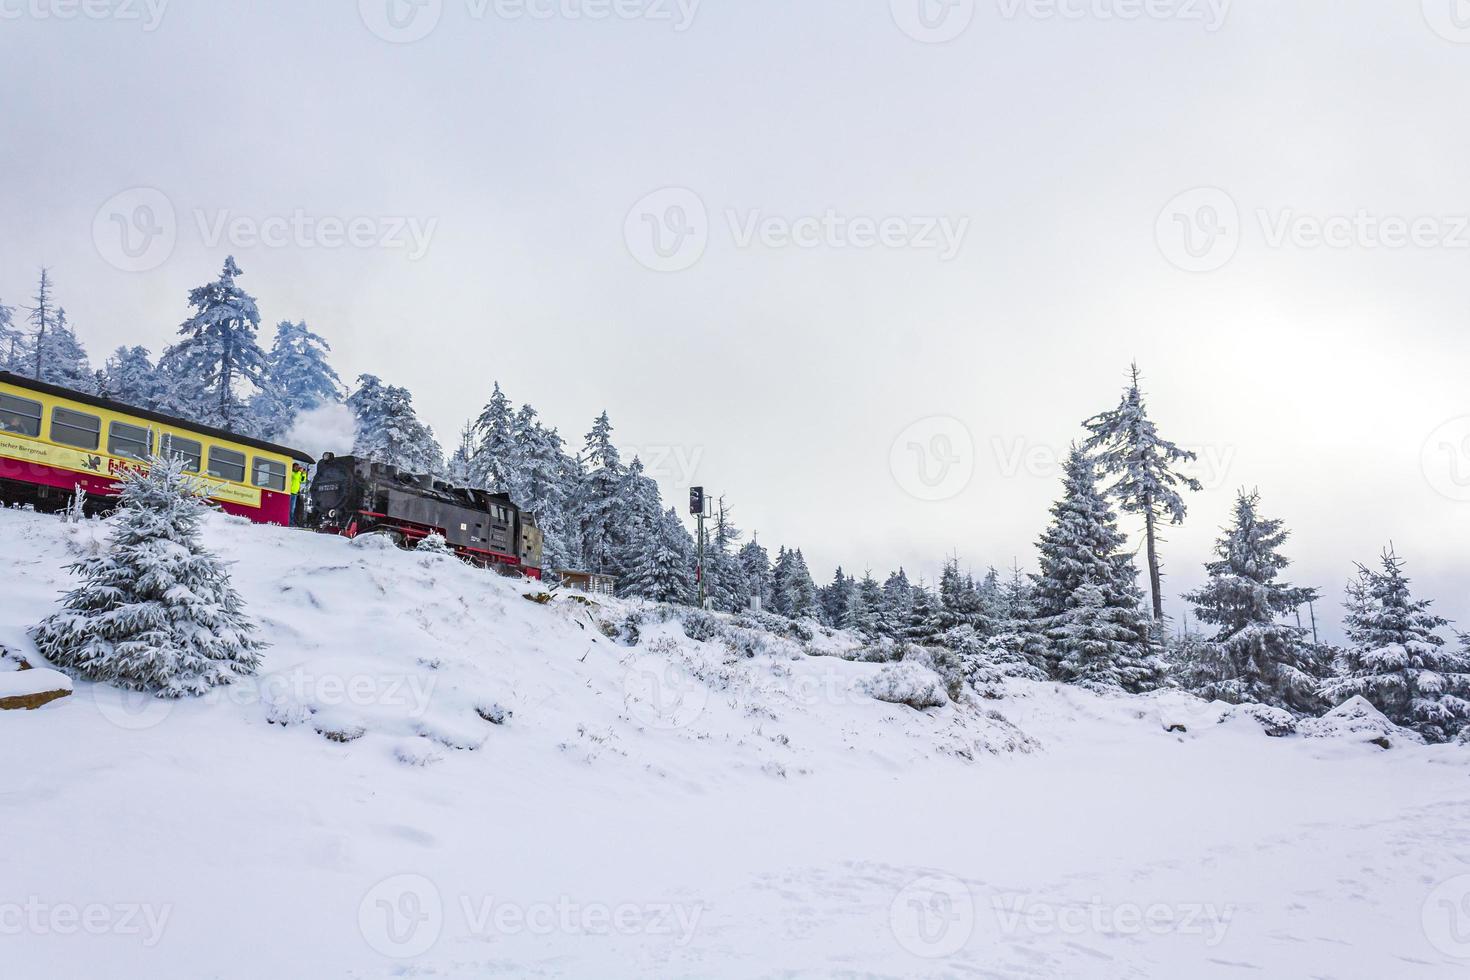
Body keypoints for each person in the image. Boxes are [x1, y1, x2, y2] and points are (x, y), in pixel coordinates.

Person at [288, 462, 308, 526]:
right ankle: (290, 522)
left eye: (298, 467)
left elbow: (302, 480)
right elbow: (296, 477)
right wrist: (299, 472)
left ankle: (291, 522)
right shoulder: (292, 473)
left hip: (295, 493)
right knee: (290, 509)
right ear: (293, 467)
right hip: (289, 492)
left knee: (292, 509)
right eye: (296, 467)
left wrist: (304, 474)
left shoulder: (298, 473)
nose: (297, 468)